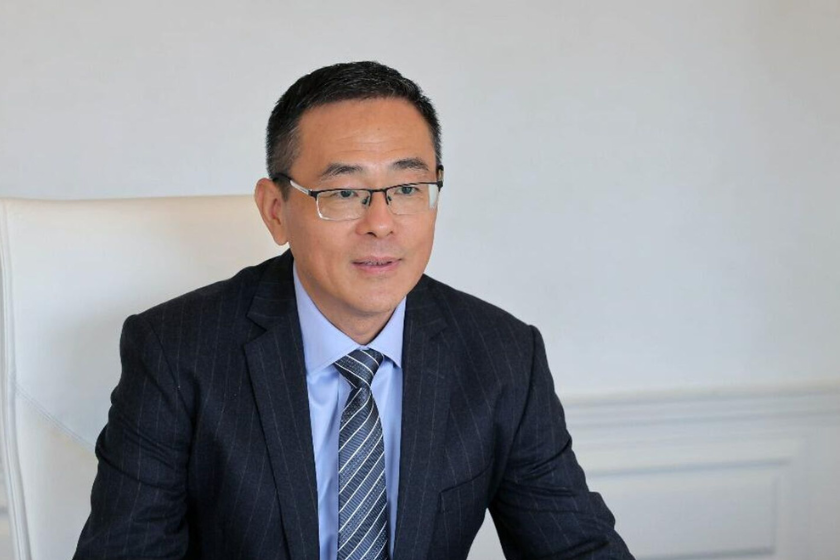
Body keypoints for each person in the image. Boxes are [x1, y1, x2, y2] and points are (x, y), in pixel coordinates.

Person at [74, 61, 633, 560]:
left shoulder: (503, 355)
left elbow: (576, 547)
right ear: (275, 211)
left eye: (408, 188)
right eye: (344, 193)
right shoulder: (174, 351)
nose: (381, 223)